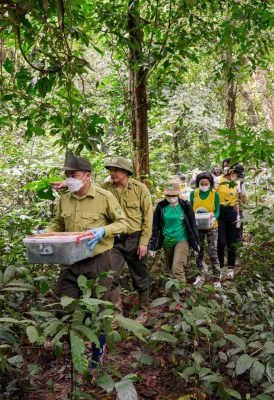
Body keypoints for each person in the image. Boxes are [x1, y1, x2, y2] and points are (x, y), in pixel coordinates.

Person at [40, 152, 129, 371]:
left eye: (73, 174)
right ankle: (74, 353)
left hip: (98, 260)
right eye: (67, 174)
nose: (69, 178)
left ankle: (98, 354)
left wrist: (103, 230)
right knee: (65, 305)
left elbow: (123, 223)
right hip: (71, 261)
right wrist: (45, 233)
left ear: (86, 176)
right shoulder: (65, 199)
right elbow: (57, 223)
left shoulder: (104, 197)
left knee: (97, 309)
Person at [102, 156, 153, 326]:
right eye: (111, 170)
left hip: (135, 239)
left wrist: (144, 242)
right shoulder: (106, 188)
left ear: (126, 171)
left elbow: (148, 217)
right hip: (115, 241)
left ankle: (143, 312)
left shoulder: (140, 189)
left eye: (116, 170)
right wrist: (68, 184)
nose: (112, 173)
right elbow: (89, 189)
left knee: (140, 277)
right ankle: (116, 316)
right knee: (110, 277)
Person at [148, 182, 200, 290]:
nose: (171, 197)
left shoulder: (185, 205)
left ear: (178, 195)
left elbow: (192, 225)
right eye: (169, 195)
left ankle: (181, 293)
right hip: (167, 240)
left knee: (177, 267)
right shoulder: (161, 206)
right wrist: (152, 245)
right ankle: (176, 289)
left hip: (182, 239)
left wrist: (196, 244)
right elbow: (155, 226)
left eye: (173, 195)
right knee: (171, 267)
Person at [190, 172, 221, 288]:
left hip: (211, 227)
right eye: (201, 184)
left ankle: (217, 277)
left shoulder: (214, 194)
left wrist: (215, 218)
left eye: (206, 184)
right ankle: (201, 274)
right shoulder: (194, 193)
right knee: (198, 252)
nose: (203, 186)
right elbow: (190, 209)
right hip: (198, 227)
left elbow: (218, 210)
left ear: (210, 184)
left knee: (213, 253)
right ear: (198, 183)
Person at [216, 163, 244, 278]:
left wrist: (238, 214)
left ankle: (231, 268)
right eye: (237, 174)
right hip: (220, 211)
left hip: (231, 212)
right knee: (221, 242)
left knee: (232, 242)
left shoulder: (236, 182)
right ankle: (221, 267)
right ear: (232, 172)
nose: (238, 177)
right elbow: (213, 196)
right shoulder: (218, 180)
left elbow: (236, 199)